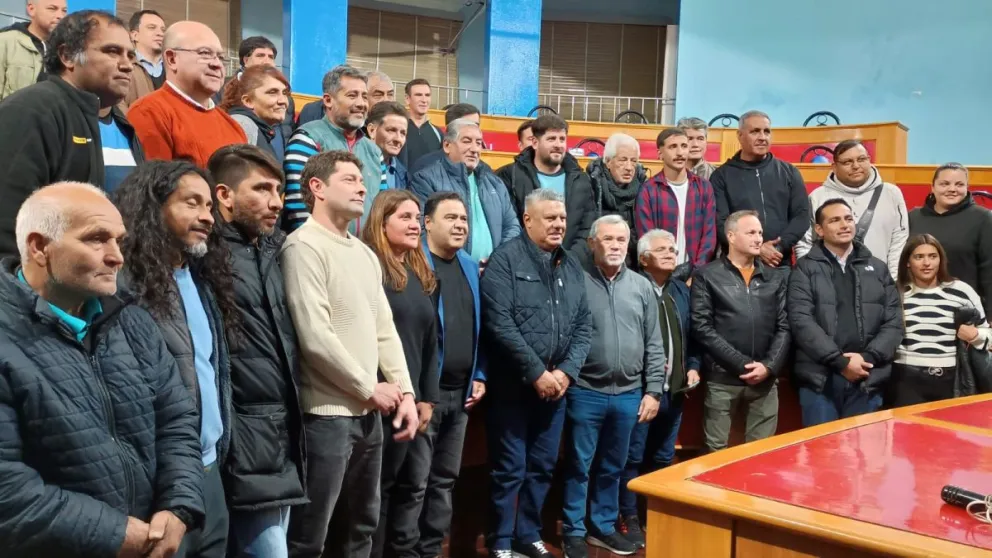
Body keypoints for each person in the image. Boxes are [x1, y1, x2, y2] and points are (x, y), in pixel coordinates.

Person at [0, 181, 203, 558]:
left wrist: (178, 506)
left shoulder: (133, 322)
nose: (117, 257)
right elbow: (6, 487)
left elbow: (176, 423)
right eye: (96, 239)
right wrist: (115, 535)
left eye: (119, 241)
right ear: (39, 247)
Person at [280, 150, 419, 558]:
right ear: (317, 188)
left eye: (363, 179)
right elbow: (315, 337)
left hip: (368, 413)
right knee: (312, 533)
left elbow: (384, 330)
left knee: (362, 525)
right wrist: (367, 387)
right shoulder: (302, 246)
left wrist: (405, 392)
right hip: (326, 415)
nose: (362, 186)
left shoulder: (362, 253)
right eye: (349, 179)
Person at [113, 161, 241, 558]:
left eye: (208, 206)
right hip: (158, 484)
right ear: (154, 206)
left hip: (208, 471)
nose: (206, 216)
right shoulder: (124, 286)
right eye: (191, 203)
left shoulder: (202, 280)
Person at [481, 188, 592, 558]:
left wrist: (566, 373)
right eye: (550, 218)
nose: (559, 224)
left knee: (543, 466)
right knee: (509, 468)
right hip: (513, 387)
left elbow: (583, 325)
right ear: (528, 220)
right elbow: (500, 323)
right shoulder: (505, 260)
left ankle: (527, 533)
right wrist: (536, 373)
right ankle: (500, 540)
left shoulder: (571, 265)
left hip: (556, 389)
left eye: (562, 218)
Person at [206, 145, 306, 558]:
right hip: (242, 435)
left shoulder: (275, 247)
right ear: (225, 196)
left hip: (282, 429)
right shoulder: (206, 255)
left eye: (279, 190)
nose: (276, 201)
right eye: (262, 189)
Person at [0, 9, 144, 258]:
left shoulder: (124, 125)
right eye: (112, 51)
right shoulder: (30, 111)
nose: (127, 64)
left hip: (119, 285)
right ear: (67, 56)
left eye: (131, 55)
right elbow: (8, 221)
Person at [561, 215, 665, 558]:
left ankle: (602, 527)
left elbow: (655, 341)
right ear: (592, 243)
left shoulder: (642, 286)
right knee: (579, 464)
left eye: (622, 240)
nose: (616, 245)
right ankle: (574, 530)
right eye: (608, 239)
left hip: (629, 394)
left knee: (613, 466)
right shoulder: (576, 281)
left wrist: (653, 391)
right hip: (585, 390)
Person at [362, 190, 440, 558]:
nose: (415, 224)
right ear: (381, 222)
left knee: (414, 487)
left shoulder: (418, 271)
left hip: (415, 402)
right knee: (378, 492)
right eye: (405, 217)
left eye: (417, 217)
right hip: (382, 402)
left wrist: (427, 397)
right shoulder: (369, 269)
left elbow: (430, 342)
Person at [617, 229, 701, 549]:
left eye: (673, 248)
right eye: (662, 249)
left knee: (664, 456)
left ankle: (656, 513)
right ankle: (629, 516)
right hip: (641, 390)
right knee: (633, 457)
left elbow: (694, 334)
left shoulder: (680, 290)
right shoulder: (633, 288)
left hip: (675, 391)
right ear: (643, 258)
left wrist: (693, 366)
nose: (670, 253)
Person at [416, 191, 487, 558]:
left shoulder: (470, 266)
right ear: (426, 223)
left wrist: (480, 373)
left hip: (461, 396)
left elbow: (480, 326)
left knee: (444, 480)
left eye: (463, 219)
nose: (460, 225)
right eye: (450, 218)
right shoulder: (413, 263)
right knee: (414, 482)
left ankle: (430, 549)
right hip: (423, 396)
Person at [790, 199, 903, 426]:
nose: (844, 224)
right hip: (821, 381)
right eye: (835, 220)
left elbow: (894, 323)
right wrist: (840, 362)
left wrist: (867, 359)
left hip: (868, 377)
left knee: (864, 459)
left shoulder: (878, 268)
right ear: (819, 230)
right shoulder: (805, 268)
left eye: (848, 218)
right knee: (822, 456)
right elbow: (801, 321)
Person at [691, 210, 790, 453]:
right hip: (722, 378)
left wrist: (768, 367)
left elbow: (785, 326)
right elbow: (702, 327)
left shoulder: (775, 278)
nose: (759, 239)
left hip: (765, 380)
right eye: (751, 233)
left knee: (762, 455)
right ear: (731, 237)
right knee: (714, 453)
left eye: (760, 233)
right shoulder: (707, 275)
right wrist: (744, 365)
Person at [127, 21, 247, 167]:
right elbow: (156, 186)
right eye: (205, 53)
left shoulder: (232, 126)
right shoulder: (148, 113)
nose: (217, 64)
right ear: (172, 59)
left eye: (221, 57)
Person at [282, 65, 383, 234]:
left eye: (364, 97)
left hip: (363, 252)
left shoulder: (374, 151)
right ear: (328, 100)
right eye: (352, 95)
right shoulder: (308, 138)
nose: (361, 104)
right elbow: (298, 206)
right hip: (317, 249)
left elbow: (382, 209)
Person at [892, 234, 991, 407]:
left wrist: (976, 335)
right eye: (919, 257)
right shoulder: (895, 292)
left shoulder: (962, 291)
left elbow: (987, 332)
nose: (926, 263)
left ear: (941, 260)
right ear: (908, 262)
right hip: (904, 378)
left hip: (951, 378)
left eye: (932, 256)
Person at [410, 117, 520, 264]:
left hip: (492, 271)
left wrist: (497, 261)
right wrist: (464, 264)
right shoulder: (425, 180)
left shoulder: (495, 183)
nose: (474, 149)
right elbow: (422, 228)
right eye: (467, 141)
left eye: (479, 143)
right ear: (447, 145)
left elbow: (512, 226)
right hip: (448, 269)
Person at [796, 139, 908, 279]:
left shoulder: (891, 193)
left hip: (879, 283)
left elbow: (899, 241)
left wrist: (892, 281)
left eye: (861, 159)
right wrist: (813, 279)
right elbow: (805, 244)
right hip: (830, 284)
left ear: (869, 160)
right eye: (847, 162)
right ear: (834, 167)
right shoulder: (817, 197)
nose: (856, 166)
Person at [710, 110, 809, 267]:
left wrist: (778, 247)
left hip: (778, 262)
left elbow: (802, 217)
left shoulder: (789, 172)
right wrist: (756, 249)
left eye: (766, 131)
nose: (762, 137)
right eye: (755, 131)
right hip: (737, 267)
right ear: (740, 135)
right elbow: (721, 223)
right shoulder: (721, 176)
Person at [497, 114, 596, 256]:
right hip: (524, 263)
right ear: (535, 143)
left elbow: (587, 227)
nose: (558, 144)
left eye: (562, 139)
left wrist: (569, 259)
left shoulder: (581, 180)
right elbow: (509, 225)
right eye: (551, 139)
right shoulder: (510, 175)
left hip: (569, 264)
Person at [909, 163, 992, 317]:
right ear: (932, 187)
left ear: (967, 187)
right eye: (944, 184)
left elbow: (989, 270)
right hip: (917, 309)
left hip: (964, 310)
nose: (952, 189)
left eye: (959, 184)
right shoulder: (913, 217)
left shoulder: (984, 218)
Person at [634, 128, 717, 278]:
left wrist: (696, 274)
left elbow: (709, 235)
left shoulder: (704, 187)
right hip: (659, 276)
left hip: (696, 275)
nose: (680, 153)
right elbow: (647, 239)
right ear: (660, 153)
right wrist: (662, 272)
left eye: (684, 146)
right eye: (673, 147)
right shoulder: (648, 190)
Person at [215, 35, 296, 144]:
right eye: (260, 55)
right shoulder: (221, 88)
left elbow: (288, 132)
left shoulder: (286, 99)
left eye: (271, 57)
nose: (267, 61)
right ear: (246, 60)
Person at [586, 133, 647, 269]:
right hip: (595, 264)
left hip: (633, 265)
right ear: (608, 162)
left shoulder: (643, 188)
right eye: (623, 160)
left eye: (633, 161)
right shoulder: (591, 185)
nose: (629, 167)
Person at [220, 65, 291, 163]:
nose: (283, 101)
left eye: (285, 93)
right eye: (272, 92)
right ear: (248, 101)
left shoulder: (257, 128)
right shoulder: (242, 125)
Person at [0, 0, 66, 99]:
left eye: (64, 10)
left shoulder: (65, 51)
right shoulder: (5, 41)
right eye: (52, 9)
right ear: (31, 9)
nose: (60, 16)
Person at [406, 102, 482, 175]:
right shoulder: (423, 169)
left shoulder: (485, 172)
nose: (474, 149)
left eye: (476, 125)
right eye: (467, 125)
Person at [297, 70, 395, 126]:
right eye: (378, 95)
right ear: (328, 100)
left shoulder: (366, 145)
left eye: (390, 94)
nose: (386, 100)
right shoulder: (311, 128)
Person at [123, 9, 166, 109]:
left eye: (163, 30)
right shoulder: (125, 66)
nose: (160, 33)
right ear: (134, 35)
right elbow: (118, 106)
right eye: (152, 28)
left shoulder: (174, 68)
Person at [398, 78, 443, 170]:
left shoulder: (438, 133)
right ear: (407, 99)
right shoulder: (397, 129)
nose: (424, 100)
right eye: (418, 95)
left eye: (427, 95)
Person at [367, 101, 410, 190]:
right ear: (372, 130)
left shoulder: (404, 176)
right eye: (391, 130)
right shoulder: (354, 165)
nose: (398, 139)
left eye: (403, 133)